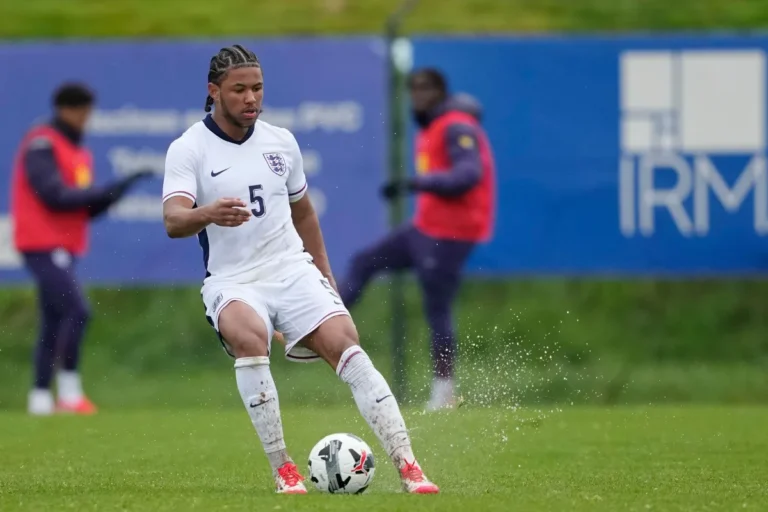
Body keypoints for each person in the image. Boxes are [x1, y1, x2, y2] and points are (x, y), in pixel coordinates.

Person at [161, 44, 439, 495]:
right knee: (250, 336)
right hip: (233, 279)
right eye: (239, 89)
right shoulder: (189, 148)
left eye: (257, 88)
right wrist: (207, 213)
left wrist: (326, 279)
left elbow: (304, 213)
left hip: (291, 268)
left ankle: (410, 467)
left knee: (346, 342)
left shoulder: (281, 142)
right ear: (214, 91)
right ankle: (284, 469)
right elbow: (174, 220)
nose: (251, 98)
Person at [338, 69, 497, 412]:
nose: (419, 96)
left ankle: (444, 392)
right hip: (425, 228)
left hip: (451, 233)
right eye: (414, 90)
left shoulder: (457, 125)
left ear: (442, 92)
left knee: (436, 305)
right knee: (364, 262)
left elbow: (468, 174)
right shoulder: (431, 128)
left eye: (427, 89)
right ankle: (319, 328)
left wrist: (418, 183)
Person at [10, 82, 152, 416]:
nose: (86, 118)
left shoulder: (77, 152)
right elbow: (54, 195)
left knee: (54, 318)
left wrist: (117, 191)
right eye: (83, 111)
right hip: (41, 242)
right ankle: (69, 393)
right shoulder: (42, 143)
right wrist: (103, 192)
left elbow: (85, 208)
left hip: (66, 244)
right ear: (66, 109)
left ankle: (40, 399)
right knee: (77, 310)